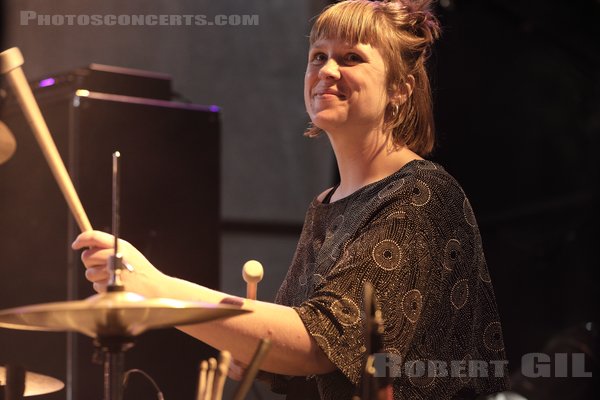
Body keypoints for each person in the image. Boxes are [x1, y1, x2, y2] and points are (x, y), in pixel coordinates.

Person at [72, 0, 510, 399]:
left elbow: (318, 345)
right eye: (318, 56)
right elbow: (288, 351)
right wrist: (253, 353)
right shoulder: (327, 203)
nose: (327, 70)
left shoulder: (421, 195)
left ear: (400, 88)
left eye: (351, 57)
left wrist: (159, 291)